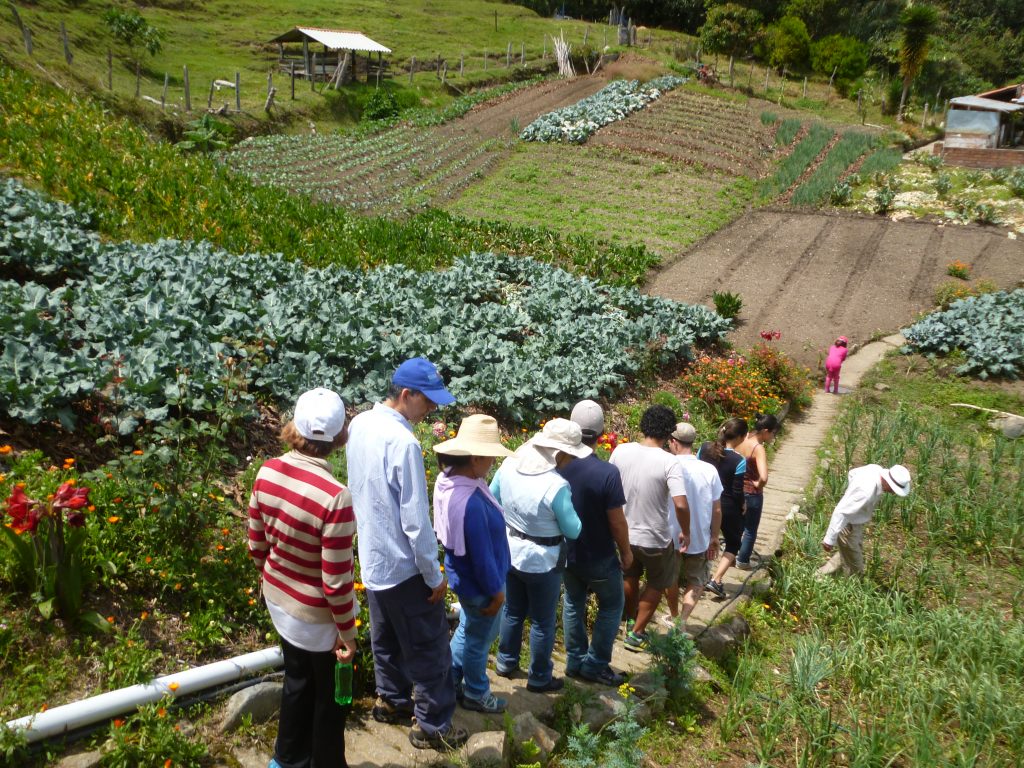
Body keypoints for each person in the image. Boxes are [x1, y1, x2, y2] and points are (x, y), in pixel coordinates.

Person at [345, 357, 468, 751]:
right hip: (405, 566)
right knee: (429, 648)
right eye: (427, 401)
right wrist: (434, 576)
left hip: (373, 558)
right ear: (406, 394)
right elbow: (415, 520)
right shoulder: (404, 442)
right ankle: (432, 726)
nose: (431, 409)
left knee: (386, 639)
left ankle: (391, 701)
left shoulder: (360, 424)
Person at [247, 388, 358, 768]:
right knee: (329, 701)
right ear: (340, 437)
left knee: (297, 682)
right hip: (319, 621)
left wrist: (275, 579)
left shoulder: (267, 472)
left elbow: (256, 545)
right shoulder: (336, 497)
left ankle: (286, 759)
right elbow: (336, 582)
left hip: (280, 603)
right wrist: (348, 632)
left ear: (294, 427)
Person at [491, 418, 585, 693]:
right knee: (543, 621)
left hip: (511, 550)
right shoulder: (556, 486)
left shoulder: (509, 466)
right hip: (544, 559)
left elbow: (494, 497)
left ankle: (506, 662)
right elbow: (574, 530)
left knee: (512, 610)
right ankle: (540, 676)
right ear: (560, 453)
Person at [432, 415, 513, 714]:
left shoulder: (449, 481)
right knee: (480, 641)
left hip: (461, 577)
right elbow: (481, 557)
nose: (493, 462)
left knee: (469, 629)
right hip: (480, 584)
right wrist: (497, 592)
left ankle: (450, 680)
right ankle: (477, 693)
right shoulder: (473, 503)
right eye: (490, 456)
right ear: (476, 457)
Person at [558, 400, 632, 686]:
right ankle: (596, 665)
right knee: (612, 604)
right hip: (599, 554)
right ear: (602, 433)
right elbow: (617, 521)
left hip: (567, 551)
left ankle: (574, 660)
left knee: (573, 602)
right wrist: (625, 552)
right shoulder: (607, 473)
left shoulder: (558, 467)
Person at [610, 404, 687, 652]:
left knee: (630, 575)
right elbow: (680, 504)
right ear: (669, 433)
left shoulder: (621, 451)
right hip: (655, 536)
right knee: (658, 581)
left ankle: (629, 619)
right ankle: (636, 633)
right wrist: (686, 530)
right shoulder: (669, 462)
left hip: (623, 531)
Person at [664, 423, 722, 626]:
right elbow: (716, 509)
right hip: (699, 536)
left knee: (670, 577)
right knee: (696, 579)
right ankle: (683, 620)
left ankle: (673, 614)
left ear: (673, 442)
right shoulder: (709, 470)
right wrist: (714, 537)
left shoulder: (667, 465)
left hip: (671, 534)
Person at [818, 464, 911, 576]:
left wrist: (851, 492)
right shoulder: (865, 492)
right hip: (848, 526)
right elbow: (841, 512)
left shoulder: (875, 469)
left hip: (856, 522)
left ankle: (821, 574)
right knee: (856, 568)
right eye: (893, 489)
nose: (893, 493)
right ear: (888, 482)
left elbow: (852, 473)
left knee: (849, 551)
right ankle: (848, 586)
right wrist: (829, 539)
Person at [702, 418, 749, 595]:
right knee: (733, 542)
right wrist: (743, 504)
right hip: (727, 505)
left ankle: (701, 575)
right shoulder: (739, 460)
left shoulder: (705, 448)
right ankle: (716, 579)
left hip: (705, 501)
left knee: (705, 537)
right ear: (742, 437)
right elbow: (737, 491)